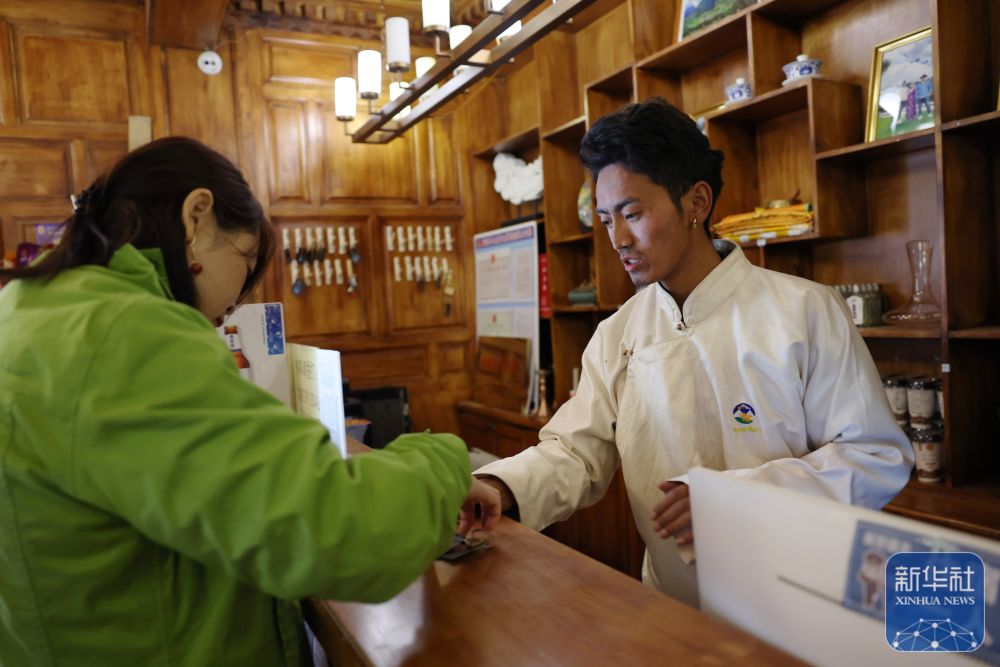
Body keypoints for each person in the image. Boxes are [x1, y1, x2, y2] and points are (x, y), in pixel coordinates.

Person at [0, 137, 493, 666]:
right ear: (196, 216)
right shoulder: (124, 331)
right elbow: (339, 531)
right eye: (245, 261)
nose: (235, 304)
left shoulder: (31, 307)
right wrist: (444, 458)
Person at [461, 99, 913, 607]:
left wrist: (733, 500)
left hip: (795, 607)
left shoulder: (804, 311)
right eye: (607, 220)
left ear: (697, 201)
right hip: (672, 607)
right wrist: (498, 488)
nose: (618, 239)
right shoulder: (617, 334)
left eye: (633, 214)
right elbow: (574, 453)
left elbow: (873, 456)